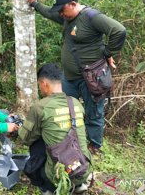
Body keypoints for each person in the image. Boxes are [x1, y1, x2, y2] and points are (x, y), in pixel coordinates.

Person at [26, 0, 126, 153]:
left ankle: (94, 145)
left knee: (93, 112)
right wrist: (34, 3)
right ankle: (67, 139)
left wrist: (107, 53)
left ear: (72, 4)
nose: (60, 14)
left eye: (62, 10)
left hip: (91, 78)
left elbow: (119, 31)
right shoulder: (67, 18)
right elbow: (50, 14)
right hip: (70, 78)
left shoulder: (91, 17)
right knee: (63, 108)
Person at [18, 63, 92, 195]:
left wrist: (19, 128)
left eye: (39, 84)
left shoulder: (40, 107)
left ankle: (48, 188)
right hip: (83, 169)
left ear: (44, 83)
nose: (40, 88)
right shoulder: (76, 102)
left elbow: (25, 138)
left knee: (36, 142)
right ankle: (79, 183)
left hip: (58, 176)